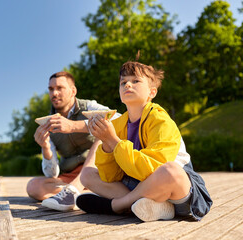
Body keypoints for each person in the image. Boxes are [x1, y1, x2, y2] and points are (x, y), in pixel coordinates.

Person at [76, 60, 212, 222]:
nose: (128, 85)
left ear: (152, 92)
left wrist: (113, 141)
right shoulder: (118, 124)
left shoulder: (160, 119)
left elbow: (153, 168)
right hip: (140, 186)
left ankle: (119, 206)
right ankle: (155, 208)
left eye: (135, 81)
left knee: (170, 170)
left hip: (177, 191)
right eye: (123, 82)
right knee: (87, 174)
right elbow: (110, 177)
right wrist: (107, 144)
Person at [26, 71, 119, 212]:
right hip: (70, 175)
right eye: (51, 89)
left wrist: (73, 126)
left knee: (102, 133)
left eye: (59, 88)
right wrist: (45, 147)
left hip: (98, 169)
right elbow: (52, 174)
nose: (54, 93)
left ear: (73, 91)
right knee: (33, 186)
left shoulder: (88, 106)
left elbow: (118, 118)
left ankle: (75, 191)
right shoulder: (47, 123)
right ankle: (87, 194)